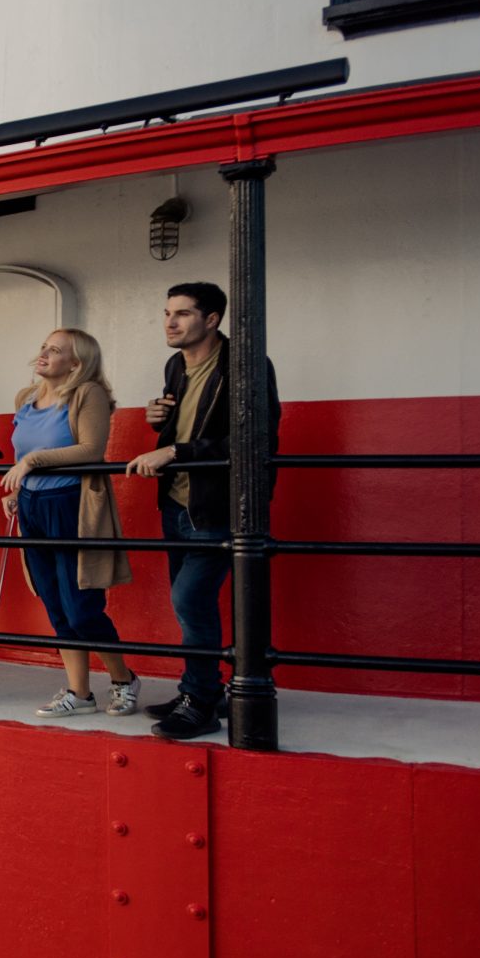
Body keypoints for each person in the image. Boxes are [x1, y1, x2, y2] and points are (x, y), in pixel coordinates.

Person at [124, 281, 281, 741]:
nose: (170, 322)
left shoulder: (245, 364)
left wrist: (173, 451)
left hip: (217, 506)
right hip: (177, 502)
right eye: (167, 312)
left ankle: (201, 703)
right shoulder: (176, 364)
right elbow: (186, 420)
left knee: (190, 599)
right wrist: (160, 420)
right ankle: (203, 690)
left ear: (211, 320)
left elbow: (254, 440)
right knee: (191, 603)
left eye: (183, 314)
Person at [0, 328, 140, 717]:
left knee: (82, 607)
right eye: (43, 346)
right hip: (32, 506)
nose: (43, 353)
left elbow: (91, 449)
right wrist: (17, 489)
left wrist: (31, 462)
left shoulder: (86, 394)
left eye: (55, 350)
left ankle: (123, 679)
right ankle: (80, 693)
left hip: (72, 505)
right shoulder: (25, 399)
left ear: (76, 363)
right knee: (56, 605)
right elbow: (23, 453)